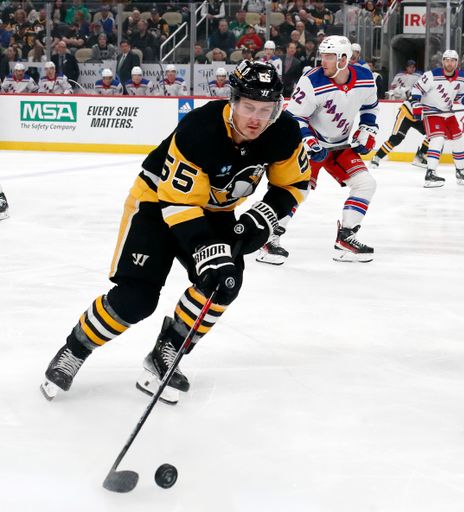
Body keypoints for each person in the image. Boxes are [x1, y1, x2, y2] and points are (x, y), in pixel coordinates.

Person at [41, 60, 310, 403]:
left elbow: (294, 184)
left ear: (278, 108)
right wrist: (206, 248)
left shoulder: (284, 132)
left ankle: (166, 351)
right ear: (233, 101)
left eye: (265, 109)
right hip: (157, 203)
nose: (256, 118)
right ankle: (74, 350)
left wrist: (260, 221)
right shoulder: (200, 129)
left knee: (223, 283)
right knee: (136, 299)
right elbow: (178, 203)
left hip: (215, 212)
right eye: (248, 107)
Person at [255, 36, 379, 265]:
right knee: (300, 190)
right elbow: (293, 117)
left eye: (329, 56)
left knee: (366, 184)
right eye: (322, 55)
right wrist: (309, 141)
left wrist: (368, 128)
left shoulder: (365, 77)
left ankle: (346, 238)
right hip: (311, 144)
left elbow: (370, 106)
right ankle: (269, 238)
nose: (323, 60)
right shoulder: (311, 80)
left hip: (339, 146)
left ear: (344, 58)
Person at [411, 50, 464, 188]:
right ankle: (430, 173)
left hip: (448, 113)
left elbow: (461, 95)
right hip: (431, 112)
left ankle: (460, 172)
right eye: (447, 60)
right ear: (443, 61)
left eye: (453, 60)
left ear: (457, 63)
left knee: (458, 140)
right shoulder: (431, 75)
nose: (449, 63)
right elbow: (416, 89)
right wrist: (416, 104)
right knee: (437, 140)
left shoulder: (461, 77)